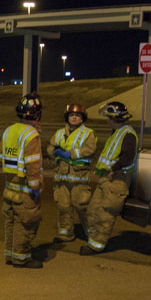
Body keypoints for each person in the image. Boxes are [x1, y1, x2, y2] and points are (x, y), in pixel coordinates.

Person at [82, 101, 138, 255]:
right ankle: (93, 239)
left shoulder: (127, 135)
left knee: (105, 214)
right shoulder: (118, 132)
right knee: (93, 211)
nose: (107, 121)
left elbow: (128, 157)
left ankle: (96, 246)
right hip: (107, 178)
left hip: (117, 180)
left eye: (108, 118)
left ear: (113, 119)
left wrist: (114, 169)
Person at [1, 95, 44, 268]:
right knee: (25, 224)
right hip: (25, 189)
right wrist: (35, 188)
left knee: (10, 222)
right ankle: (21, 258)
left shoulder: (9, 130)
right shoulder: (31, 135)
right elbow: (33, 165)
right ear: (37, 115)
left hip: (9, 188)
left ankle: (10, 255)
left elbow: (0, 156)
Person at [49, 103, 97, 243]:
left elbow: (90, 149)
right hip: (61, 177)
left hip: (79, 178)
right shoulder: (59, 133)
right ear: (67, 117)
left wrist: (70, 154)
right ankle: (65, 234)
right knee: (63, 206)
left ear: (82, 119)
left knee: (82, 206)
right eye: (72, 115)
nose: (74, 117)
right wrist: (54, 152)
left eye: (77, 115)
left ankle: (92, 234)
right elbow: (50, 148)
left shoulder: (88, 134)